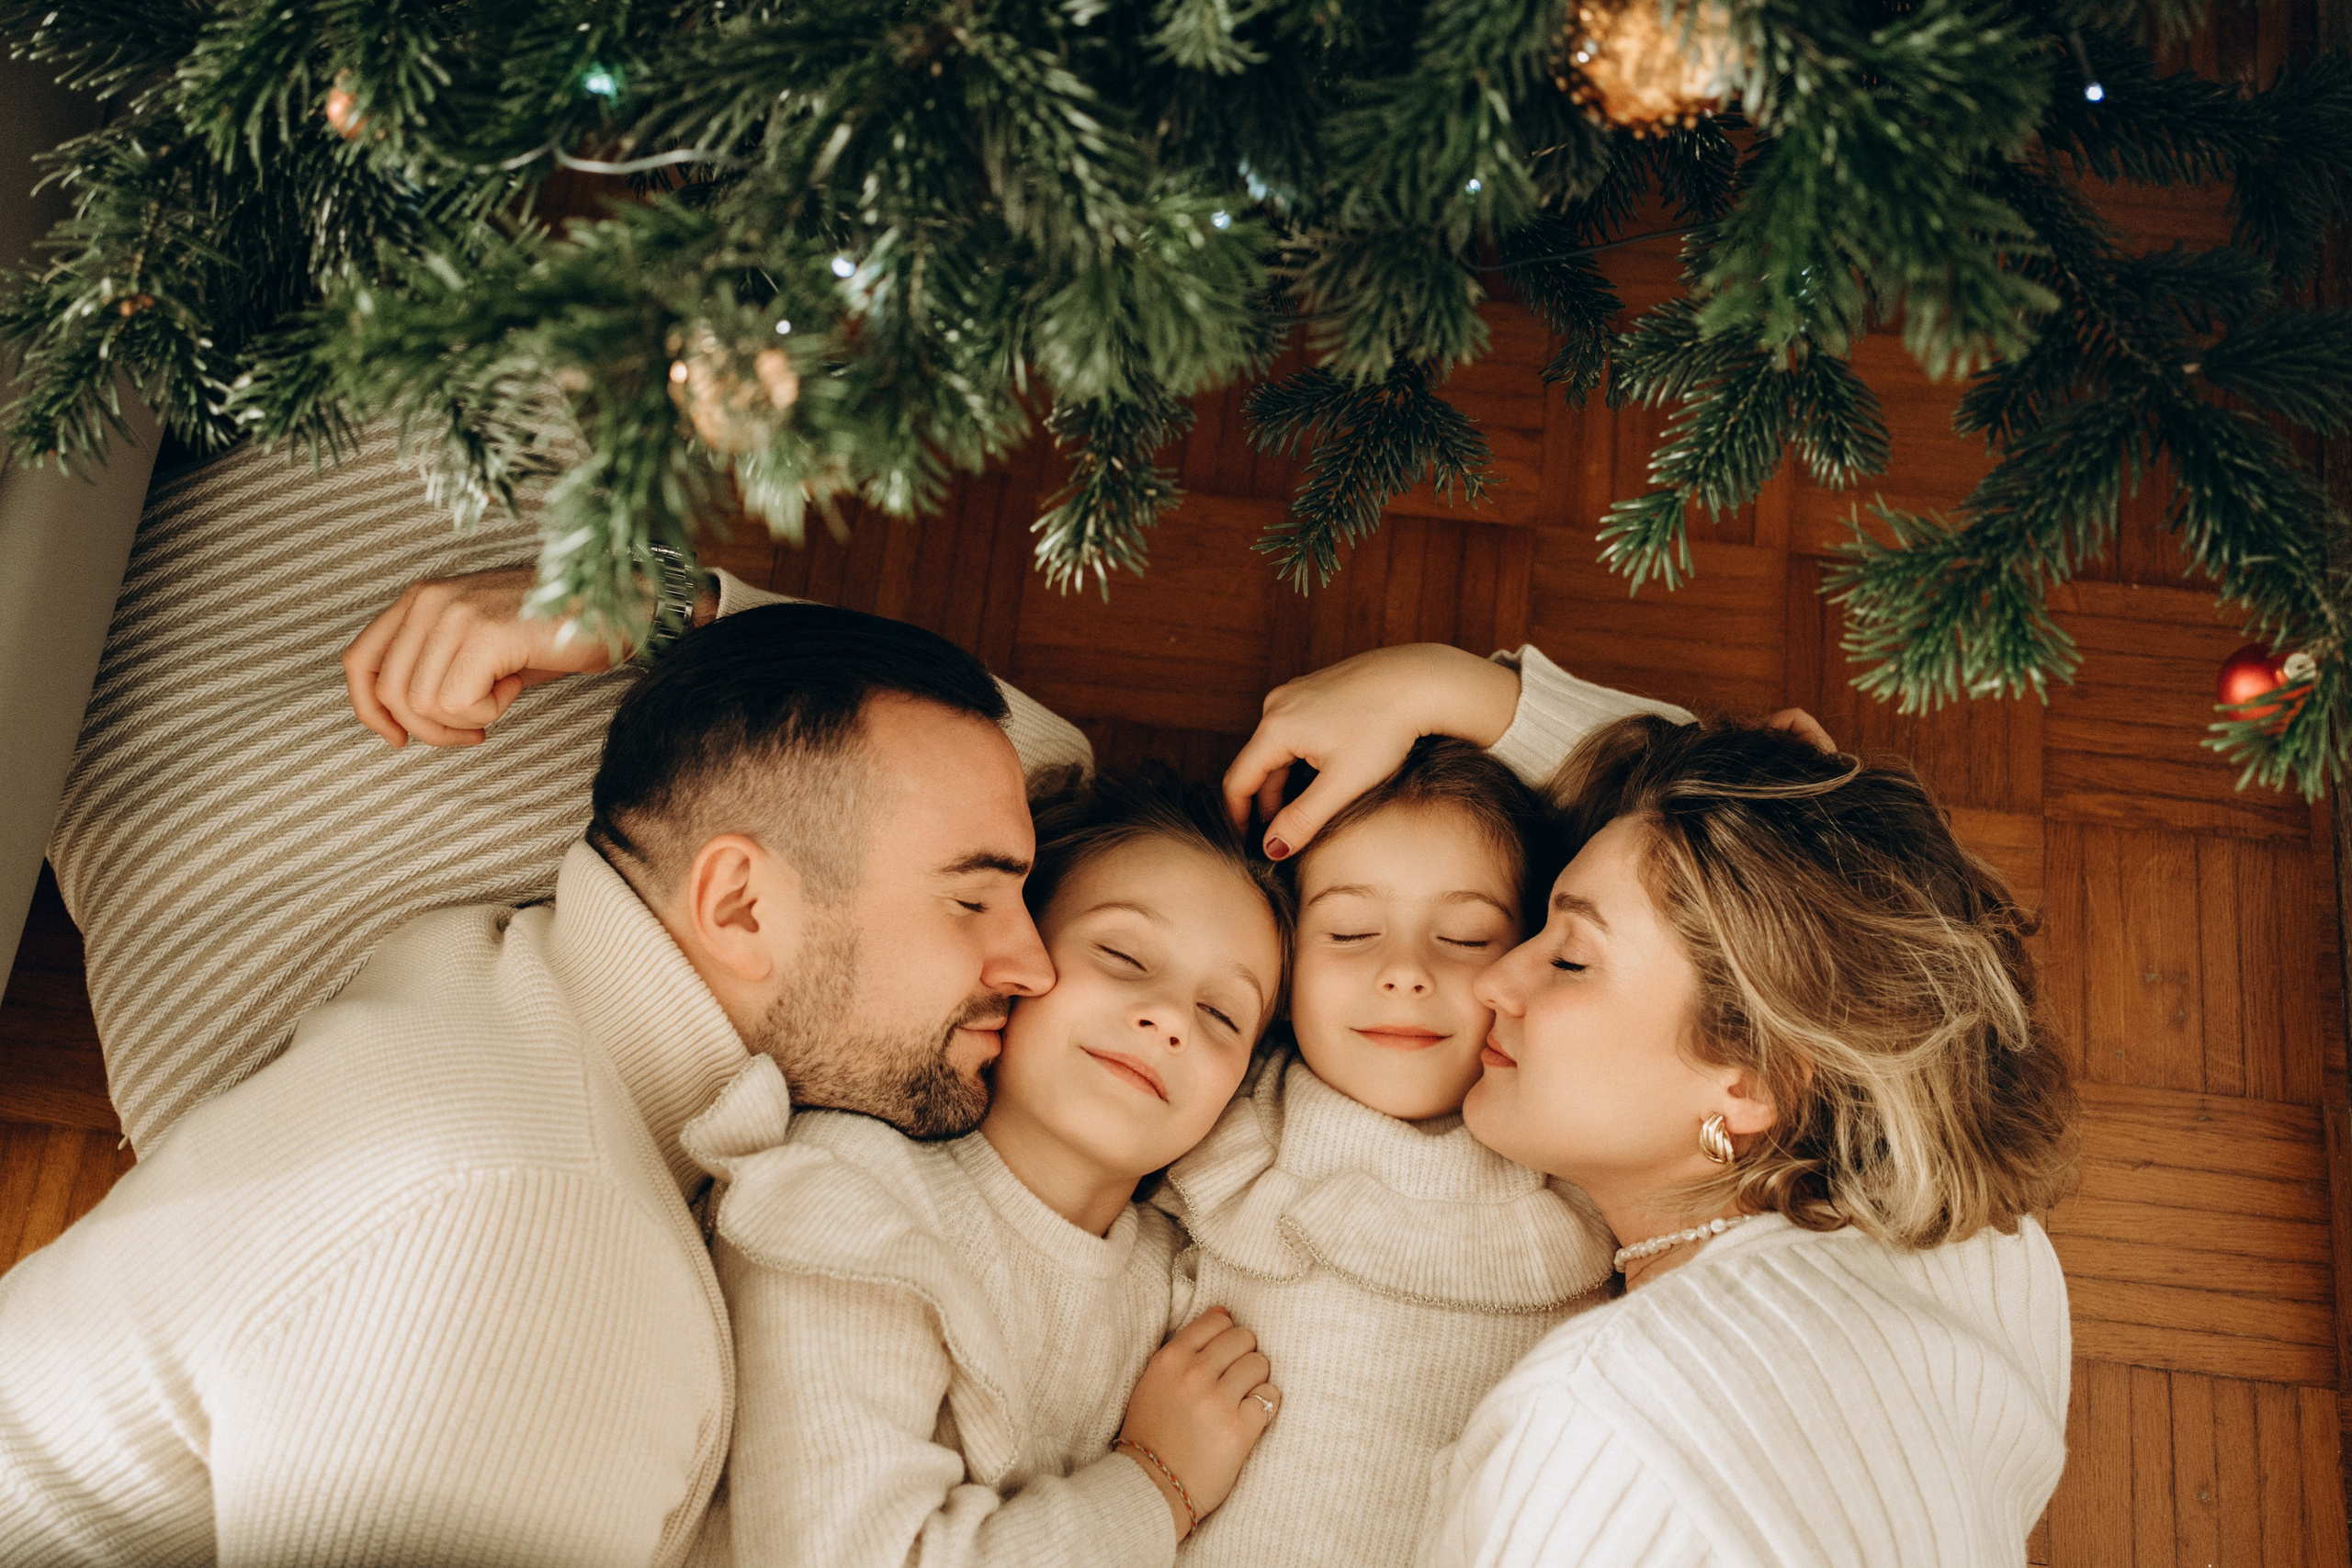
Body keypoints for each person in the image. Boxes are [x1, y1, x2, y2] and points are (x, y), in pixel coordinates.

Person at [0, 602, 1073, 1566]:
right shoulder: (531, 1242)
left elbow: (1047, 755)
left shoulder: (511, 974)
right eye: (974, 902)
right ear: (740, 907)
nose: (1037, 965)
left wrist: (635, 594)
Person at [1227, 648, 2075, 1568]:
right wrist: (1437, 690)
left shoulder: (1593, 1435)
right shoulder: (1975, 1242)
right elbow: (1840, 865)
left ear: (1750, 1078)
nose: (1496, 981)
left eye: (1567, 959)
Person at [707, 773, 1291, 1568]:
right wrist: (1160, 1483)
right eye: (1122, 954)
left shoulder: (1184, 1279)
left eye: (1224, 1014)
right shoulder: (849, 1187)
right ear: (1015, 963)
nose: (1172, 1017)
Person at [1153, 739, 1614, 1568]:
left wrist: (1447, 690)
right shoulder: (1211, 1132)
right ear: (1284, 960)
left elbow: (1701, 829)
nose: (1405, 970)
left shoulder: (1588, 1178)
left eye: (1469, 937)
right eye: (1353, 930)